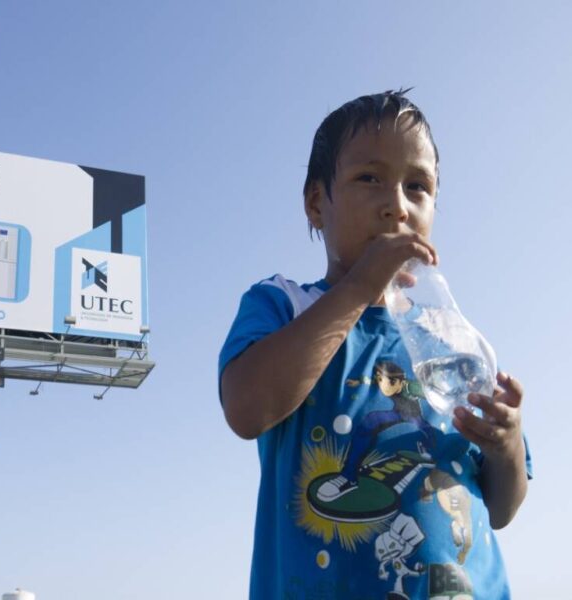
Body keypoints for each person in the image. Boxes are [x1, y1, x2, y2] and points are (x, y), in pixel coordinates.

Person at [218, 90, 531, 599]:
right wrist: (360, 287)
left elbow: (501, 507)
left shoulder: (453, 338)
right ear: (316, 203)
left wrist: (507, 445)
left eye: (417, 187)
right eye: (369, 179)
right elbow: (246, 408)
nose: (397, 206)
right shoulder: (284, 304)